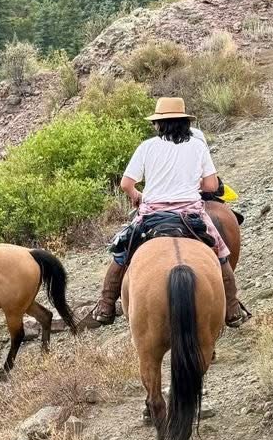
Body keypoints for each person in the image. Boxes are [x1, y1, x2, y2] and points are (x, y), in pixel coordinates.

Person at [90, 95, 248, 326]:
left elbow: (126, 184)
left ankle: (106, 304)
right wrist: (192, 183)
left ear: (158, 124)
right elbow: (212, 185)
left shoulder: (147, 147)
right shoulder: (197, 146)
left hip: (152, 214)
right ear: (185, 123)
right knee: (221, 254)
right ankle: (232, 308)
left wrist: (137, 196)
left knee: (121, 253)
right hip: (190, 214)